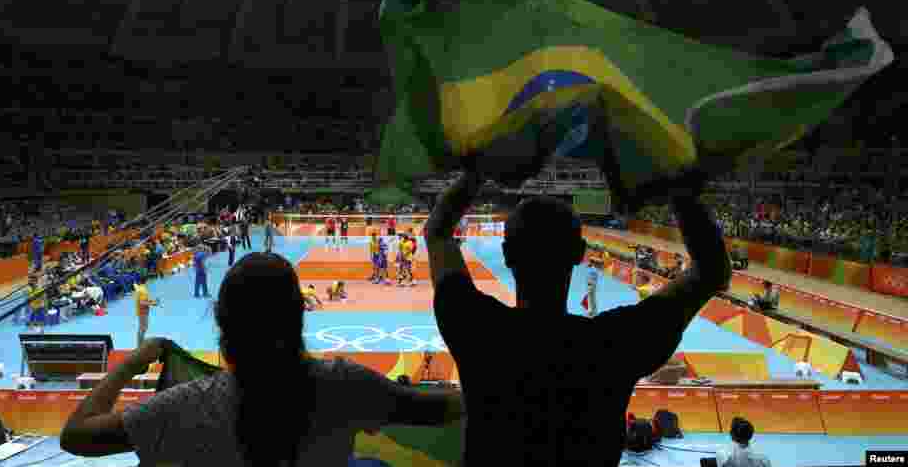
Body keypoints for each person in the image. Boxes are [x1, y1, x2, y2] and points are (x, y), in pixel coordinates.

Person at [424, 167, 731, 467]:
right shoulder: (616, 343)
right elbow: (712, 270)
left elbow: (438, 231)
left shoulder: (478, 329)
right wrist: (679, 191)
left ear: (506, 254)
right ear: (580, 253)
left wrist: (478, 170)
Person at [60, 253, 465, 464]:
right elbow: (445, 409)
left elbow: (76, 436)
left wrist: (133, 363)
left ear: (223, 327)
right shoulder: (345, 384)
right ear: (298, 317)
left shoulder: (185, 403)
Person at [135, 275, 159, 348]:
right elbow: (142, 302)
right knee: (143, 329)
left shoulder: (140, 288)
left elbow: (143, 300)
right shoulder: (143, 290)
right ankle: (140, 346)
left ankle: (140, 344)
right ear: (146, 281)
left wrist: (152, 301)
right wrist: (153, 303)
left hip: (141, 311)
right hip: (143, 312)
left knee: (142, 328)